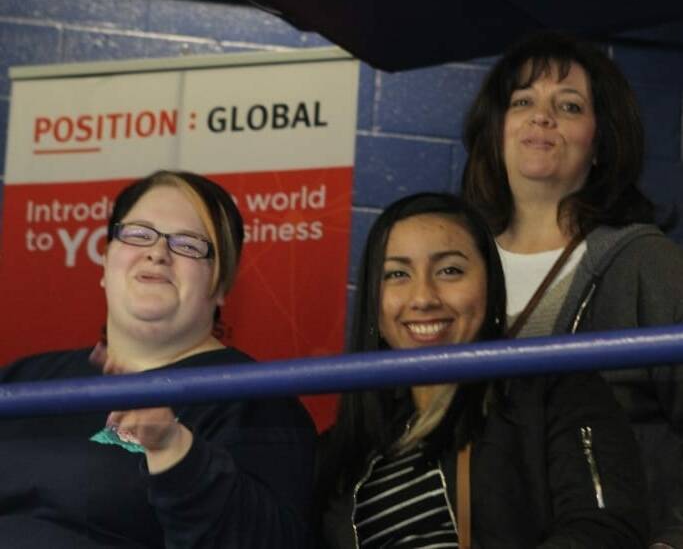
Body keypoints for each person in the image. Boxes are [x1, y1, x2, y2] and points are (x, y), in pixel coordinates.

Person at [0, 169, 315, 548]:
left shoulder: (257, 399)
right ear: (104, 262)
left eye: (188, 244)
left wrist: (174, 450)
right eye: (138, 233)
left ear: (221, 286)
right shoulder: (24, 378)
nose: (157, 252)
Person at [316, 192, 648, 548]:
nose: (423, 297)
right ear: (374, 305)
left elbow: (606, 531)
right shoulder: (343, 449)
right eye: (397, 274)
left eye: (450, 271)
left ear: (490, 287)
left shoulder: (554, 390)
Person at [461, 30, 683, 548]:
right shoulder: (456, 267)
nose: (543, 117)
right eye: (523, 101)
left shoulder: (647, 262)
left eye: (569, 105)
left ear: (602, 141)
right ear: (495, 130)